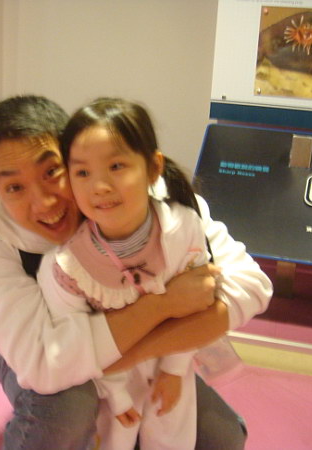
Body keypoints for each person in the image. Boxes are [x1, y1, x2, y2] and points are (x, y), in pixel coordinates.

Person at [0, 95, 273, 449]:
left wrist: (147, 356)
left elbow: (250, 285)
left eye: (52, 172)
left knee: (223, 437)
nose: (44, 201)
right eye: (15, 187)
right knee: (66, 409)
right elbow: (41, 363)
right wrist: (164, 304)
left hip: (133, 346)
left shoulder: (140, 198)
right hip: (31, 339)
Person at [36, 97, 217, 449]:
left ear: (153, 168)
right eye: (82, 173)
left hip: (174, 362)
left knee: (172, 438)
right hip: (111, 380)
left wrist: (174, 369)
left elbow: (198, 306)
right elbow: (81, 340)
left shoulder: (183, 228)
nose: (99, 186)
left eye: (116, 166)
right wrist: (117, 394)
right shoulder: (71, 264)